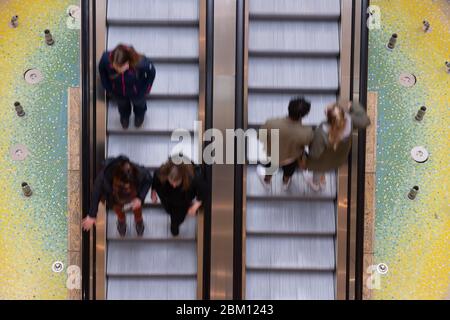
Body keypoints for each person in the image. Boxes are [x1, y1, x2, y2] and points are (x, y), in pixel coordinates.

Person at [302, 100, 371, 191]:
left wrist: (304, 154)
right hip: (339, 157)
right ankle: (322, 179)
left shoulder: (322, 133)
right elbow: (365, 121)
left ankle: (316, 184)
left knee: (319, 169)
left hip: (323, 160)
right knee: (326, 166)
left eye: (326, 110)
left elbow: (315, 154)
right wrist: (354, 105)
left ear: (328, 117)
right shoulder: (349, 120)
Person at [82, 155, 153, 237]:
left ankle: (138, 221)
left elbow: (148, 179)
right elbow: (96, 192)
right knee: (118, 209)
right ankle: (121, 220)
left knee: (136, 207)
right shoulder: (103, 178)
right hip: (114, 199)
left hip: (133, 197)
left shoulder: (138, 171)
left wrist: (140, 198)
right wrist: (92, 215)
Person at [258, 97, 314, 190]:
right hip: (291, 159)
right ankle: (285, 182)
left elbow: (260, 136)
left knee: (269, 170)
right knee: (288, 172)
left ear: (288, 108)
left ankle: (267, 181)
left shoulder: (271, 123)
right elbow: (309, 144)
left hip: (271, 155)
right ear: (304, 115)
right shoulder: (307, 131)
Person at [99, 44, 156, 129]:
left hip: (137, 92)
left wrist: (146, 89)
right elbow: (102, 71)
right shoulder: (105, 59)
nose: (119, 70)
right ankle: (124, 116)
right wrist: (108, 87)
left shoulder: (141, 62)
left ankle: (139, 115)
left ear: (128, 62)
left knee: (139, 104)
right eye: (116, 67)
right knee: (122, 106)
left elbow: (152, 72)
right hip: (118, 91)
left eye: (121, 67)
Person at [151, 157, 206, 236]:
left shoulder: (193, 178)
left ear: (182, 177)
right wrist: (153, 191)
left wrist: (195, 206)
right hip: (166, 195)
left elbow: (204, 190)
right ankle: (173, 218)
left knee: (179, 217)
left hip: (183, 199)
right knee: (168, 210)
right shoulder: (161, 173)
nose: (174, 185)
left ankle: (175, 225)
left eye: (176, 183)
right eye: (171, 182)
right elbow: (155, 179)